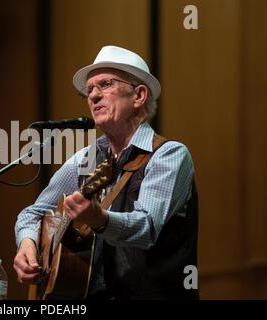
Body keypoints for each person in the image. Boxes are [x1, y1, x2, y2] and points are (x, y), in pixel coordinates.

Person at [13, 45, 199, 300]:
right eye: (89, 90)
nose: (93, 96)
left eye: (106, 84)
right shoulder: (85, 158)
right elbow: (32, 213)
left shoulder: (169, 155)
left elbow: (147, 228)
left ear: (139, 95)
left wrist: (98, 218)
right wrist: (27, 244)